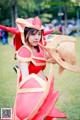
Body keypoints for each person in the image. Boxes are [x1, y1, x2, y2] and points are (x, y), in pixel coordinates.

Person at [0, 16, 80, 120]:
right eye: (33, 34)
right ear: (26, 35)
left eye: (39, 34)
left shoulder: (40, 48)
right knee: (26, 113)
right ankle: (5, 115)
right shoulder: (25, 51)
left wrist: (62, 55)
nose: (37, 37)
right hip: (31, 90)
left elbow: (50, 58)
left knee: (43, 113)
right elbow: (25, 79)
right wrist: (34, 93)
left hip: (43, 87)